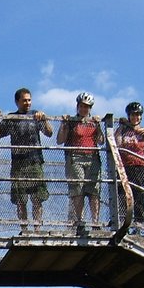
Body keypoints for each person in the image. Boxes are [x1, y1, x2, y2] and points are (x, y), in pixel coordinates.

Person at [0, 88, 53, 234]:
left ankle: (37, 228)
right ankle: (24, 228)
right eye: (24, 100)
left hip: (35, 161)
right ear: (17, 102)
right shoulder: (12, 118)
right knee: (21, 198)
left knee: (37, 197)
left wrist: (44, 119)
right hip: (18, 163)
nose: (27, 103)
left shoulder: (36, 115)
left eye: (29, 100)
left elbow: (49, 133)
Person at [56, 91, 105, 229]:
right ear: (77, 106)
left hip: (92, 157)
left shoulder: (93, 123)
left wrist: (99, 126)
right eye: (82, 106)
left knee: (94, 190)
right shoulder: (72, 121)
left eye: (87, 107)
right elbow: (60, 140)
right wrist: (63, 124)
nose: (84, 109)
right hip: (75, 157)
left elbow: (101, 141)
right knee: (78, 189)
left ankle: (95, 222)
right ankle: (80, 221)